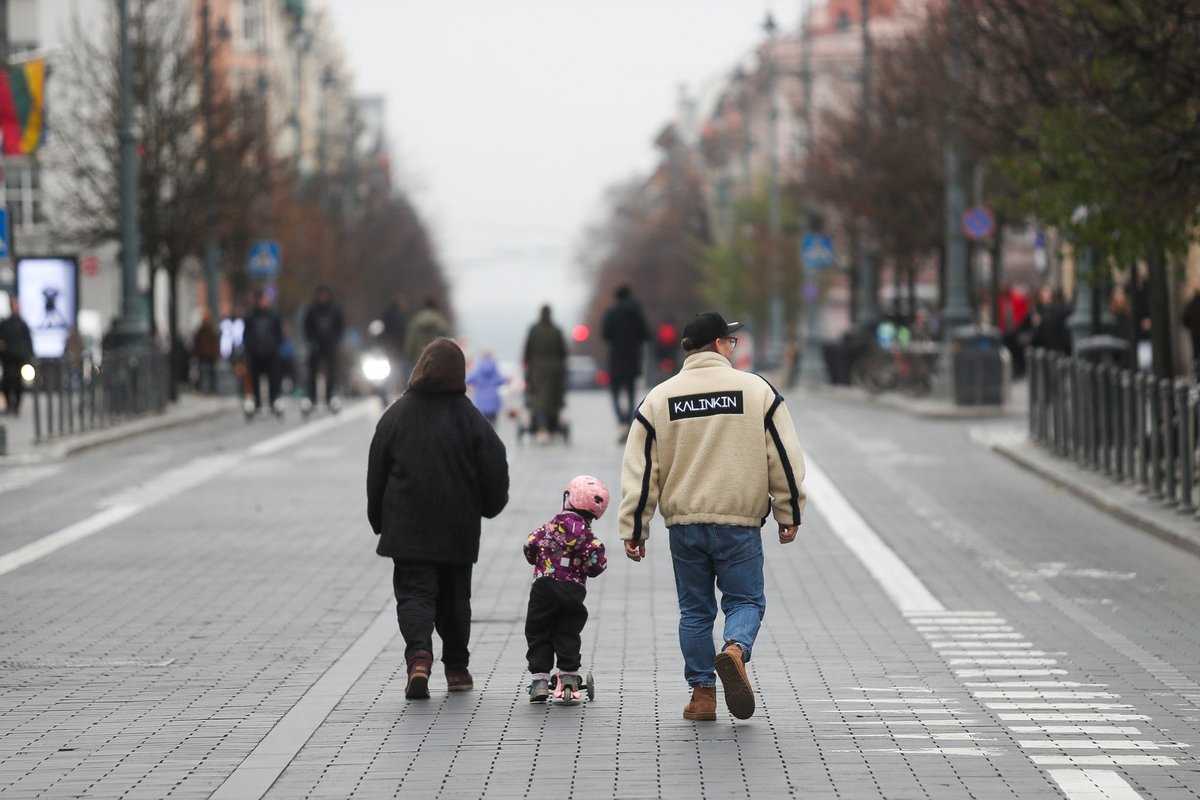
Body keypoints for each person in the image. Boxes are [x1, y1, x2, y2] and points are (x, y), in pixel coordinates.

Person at [619, 310, 806, 722]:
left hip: (684, 526)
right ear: (720, 345)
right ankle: (735, 649)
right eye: (731, 341)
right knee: (745, 601)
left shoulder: (658, 399)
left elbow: (642, 469)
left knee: (695, 612)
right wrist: (788, 510)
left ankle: (702, 696)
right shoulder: (756, 391)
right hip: (739, 523)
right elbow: (784, 457)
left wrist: (635, 527)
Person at [367, 338, 510, 699]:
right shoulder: (470, 419)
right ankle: (457, 670)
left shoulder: (396, 415)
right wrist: (490, 505)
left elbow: (376, 471)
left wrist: (378, 517)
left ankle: (418, 658)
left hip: (407, 528)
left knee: (414, 595)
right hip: (457, 530)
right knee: (455, 599)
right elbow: (495, 466)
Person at [523, 475, 609, 702]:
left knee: (538, 630)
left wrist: (539, 560)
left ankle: (540, 680)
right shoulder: (589, 537)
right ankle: (569, 675)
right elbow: (597, 565)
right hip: (572, 591)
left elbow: (530, 545)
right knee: (568, 631)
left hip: (543, 588)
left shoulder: (548, 528)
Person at [602, 285, 649, 434]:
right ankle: (629, 422)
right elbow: (646, 334)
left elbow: (605, 335)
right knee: (630, 393)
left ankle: (621, 421)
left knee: (615, 393)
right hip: (633, 358)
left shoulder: (611, 313)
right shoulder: (637, 313)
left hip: (616, 359)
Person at [523, 305, 567, 441]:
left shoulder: (534, 330)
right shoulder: (556, 330)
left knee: (540, 399)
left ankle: (542, 428)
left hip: (537, 369)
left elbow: (527, 350)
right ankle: (553, 425)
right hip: (555, 369)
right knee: (553, 399)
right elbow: (563, 352)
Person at [303, 284, 345, 410]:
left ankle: (330, 397)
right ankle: (312, 397)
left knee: (331, 373)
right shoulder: (311, 310)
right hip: (316, 346)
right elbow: (306, 328)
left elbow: (340, 327)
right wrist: (311, 341)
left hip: (330, 346)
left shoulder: (335, 310)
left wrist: (335, 341)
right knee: (313, 372)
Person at [242, 290, 284, 415]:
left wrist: (275, 346)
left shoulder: (273, 316)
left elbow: (279, 334)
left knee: (273, 378)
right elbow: (246, 334)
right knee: (255, 378)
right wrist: (250, 347)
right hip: (255, 353)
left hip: (271, 353)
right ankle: (257, 402)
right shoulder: (251, 316)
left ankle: (273, 400)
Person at [0, 298, 34, 415]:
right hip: (8, 358)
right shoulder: (5, 323)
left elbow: (28, 341)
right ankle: (9, 405)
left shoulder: (22, 324)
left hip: (19, 358)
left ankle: (16, 406)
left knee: (19, 383)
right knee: (7, 382)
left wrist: (29, 356)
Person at [403, 297, 451, 376]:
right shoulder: (440, 321)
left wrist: (410, 358)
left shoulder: (415, 321)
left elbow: (410, 343)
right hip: (437, 360)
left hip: (419, 360)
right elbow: (447, 342)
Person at [466, 347, 507, 425]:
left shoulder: (478, 368)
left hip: (481, 402)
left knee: (482, 426)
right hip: (494, 401)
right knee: (493, 427)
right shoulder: (494, 367)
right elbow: (501, 380)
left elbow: (468, 380)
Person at [192, 309, 220, 395]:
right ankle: (200, 389)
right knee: (201, 373)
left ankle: (211, 390)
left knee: (211, 373)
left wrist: (215, 353)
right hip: (202, 354)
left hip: (209, 355)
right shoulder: (201, 330)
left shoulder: (211, 330)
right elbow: (197, 343)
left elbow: (215, 343)